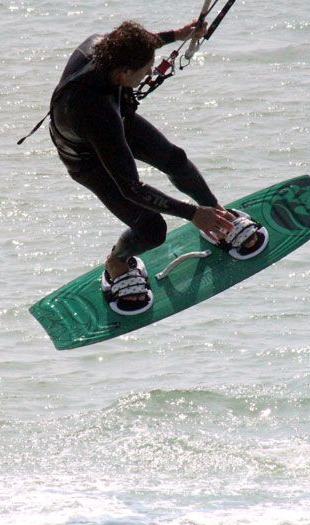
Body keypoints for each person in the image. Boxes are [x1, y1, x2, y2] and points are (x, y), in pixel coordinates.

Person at [48, 19, 263, 315]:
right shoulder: (94, 111)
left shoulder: (103, 46)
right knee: (151, 228)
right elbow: (131, 188)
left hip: (116, 121)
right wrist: (191, 214)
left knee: (175, 160)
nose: (150, 72)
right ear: (124, 73)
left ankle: (218, 216)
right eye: (145, 70)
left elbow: (143, 42)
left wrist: (179, 35)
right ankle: (117, 263)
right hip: (87, 158)